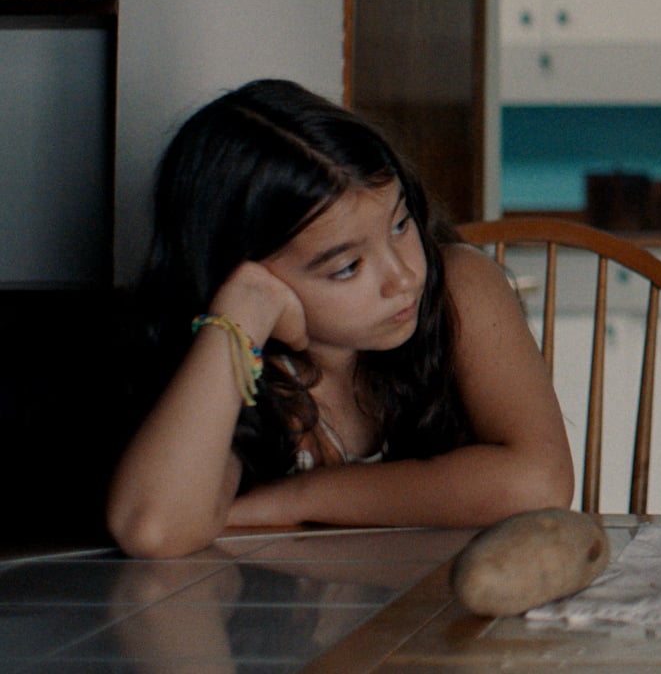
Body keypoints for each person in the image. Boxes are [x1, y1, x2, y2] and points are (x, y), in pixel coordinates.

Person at [106, 79, 573, 559]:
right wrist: (243, 314)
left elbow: (538, 483)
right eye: (347, 267)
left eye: (400, 223)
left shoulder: (460, 285)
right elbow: (154, 528)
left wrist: (300, 498)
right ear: (247, 272)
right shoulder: (247, 365)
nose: (403, 278)